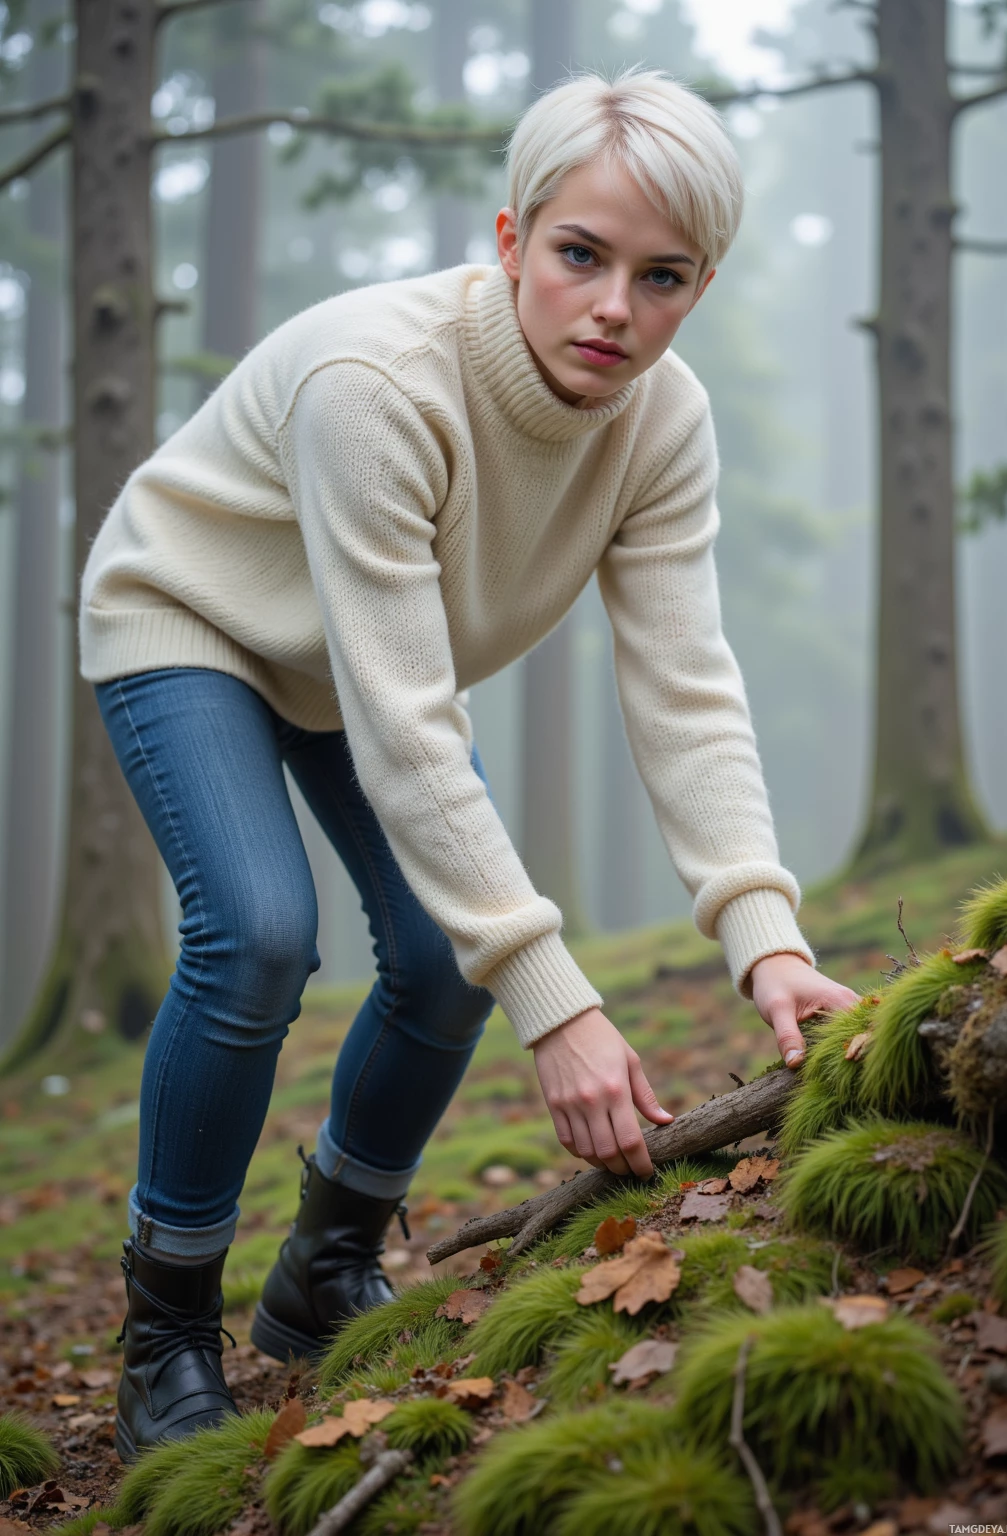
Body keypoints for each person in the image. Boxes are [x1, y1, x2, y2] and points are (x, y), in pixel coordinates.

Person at [80, 67, 858, 1459]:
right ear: (511, 240)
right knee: (259, 934)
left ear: (702, 283)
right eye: (580, 256)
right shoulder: (376, 383)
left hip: (358, 670)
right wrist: (558, 1009)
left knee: (447, 959)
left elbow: (684, 684)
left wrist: (768, 938)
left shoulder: (663, 423)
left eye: (662, 276)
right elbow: (405, 721)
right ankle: (166, 1331)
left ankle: (324, 1267)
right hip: (192, 615)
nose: (614, 308)